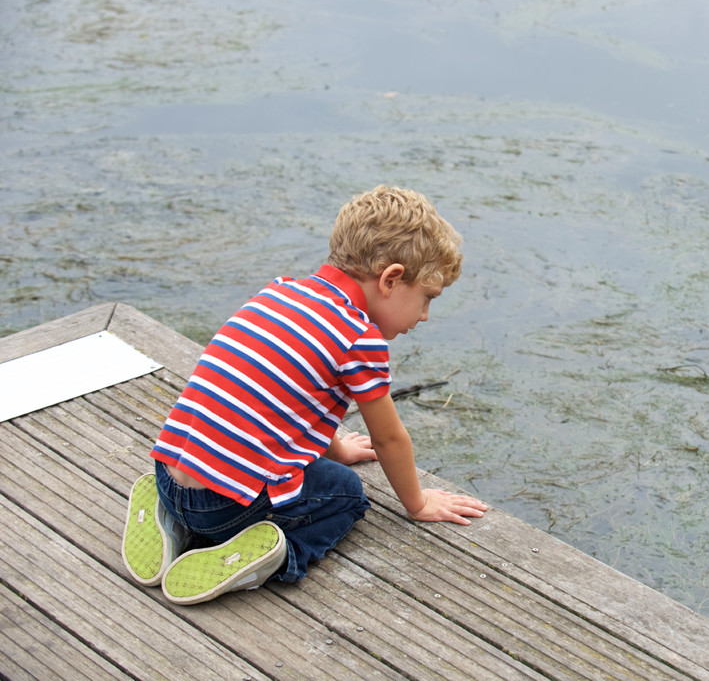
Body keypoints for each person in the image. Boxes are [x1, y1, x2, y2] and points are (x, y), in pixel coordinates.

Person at [121, 185, 487, 605]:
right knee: (347, 494)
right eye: (426, 299)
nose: (424, 316)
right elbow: (389, 439)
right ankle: (272, 558)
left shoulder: (279, 293)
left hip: (168, 473)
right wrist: (418, 504)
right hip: (225, 511)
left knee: (309, 462)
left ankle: (168, 517)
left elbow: (282, 402)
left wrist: (335, 447)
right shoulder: (358, 337)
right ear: (391, 279)